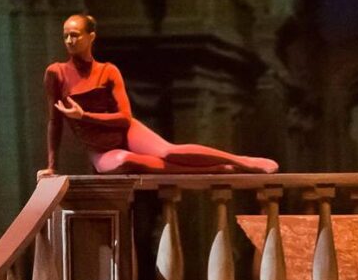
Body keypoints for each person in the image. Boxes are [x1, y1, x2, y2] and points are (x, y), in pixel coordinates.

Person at [38, 13, 278, 177]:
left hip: (124, 130)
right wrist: (52, 166)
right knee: (126, 160)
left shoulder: (108, 71)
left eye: (75, 35)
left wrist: (84, 116)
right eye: (65, 35)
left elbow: (124, 118)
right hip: (100, 149)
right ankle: (214, 169)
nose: (69, 40)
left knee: (169, 151)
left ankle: (242, 161)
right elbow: (54, 122)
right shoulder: (56, 73)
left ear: (91, 37)